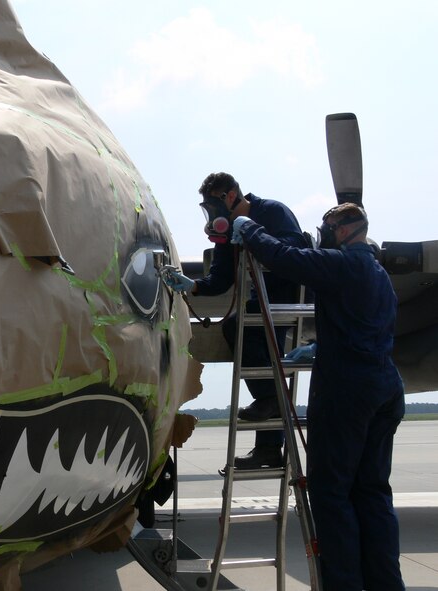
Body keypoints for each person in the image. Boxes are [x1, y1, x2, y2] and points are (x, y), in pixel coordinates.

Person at [231, 202, 405, 591]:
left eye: (327, 228)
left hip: (348, 391)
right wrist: (322, 345)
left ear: (343, 231)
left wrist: (250, 230)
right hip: (385, 387)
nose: (322, 235)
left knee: (331, 494)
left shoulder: (343, 265)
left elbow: (286, 258)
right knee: (373, 492)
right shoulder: (379, 274)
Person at [166, 172, 310, 469]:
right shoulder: (228, 230)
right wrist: (192, 285)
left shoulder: (272, 211)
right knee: (258, 356)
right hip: (261, 302)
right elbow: (220, 279)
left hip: (285, 297)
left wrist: (253, 234)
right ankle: (269, 441)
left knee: (244, 335)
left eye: (213, 205)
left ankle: (269, 412)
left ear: (230, 196)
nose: (212, 214)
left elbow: (293, 249)